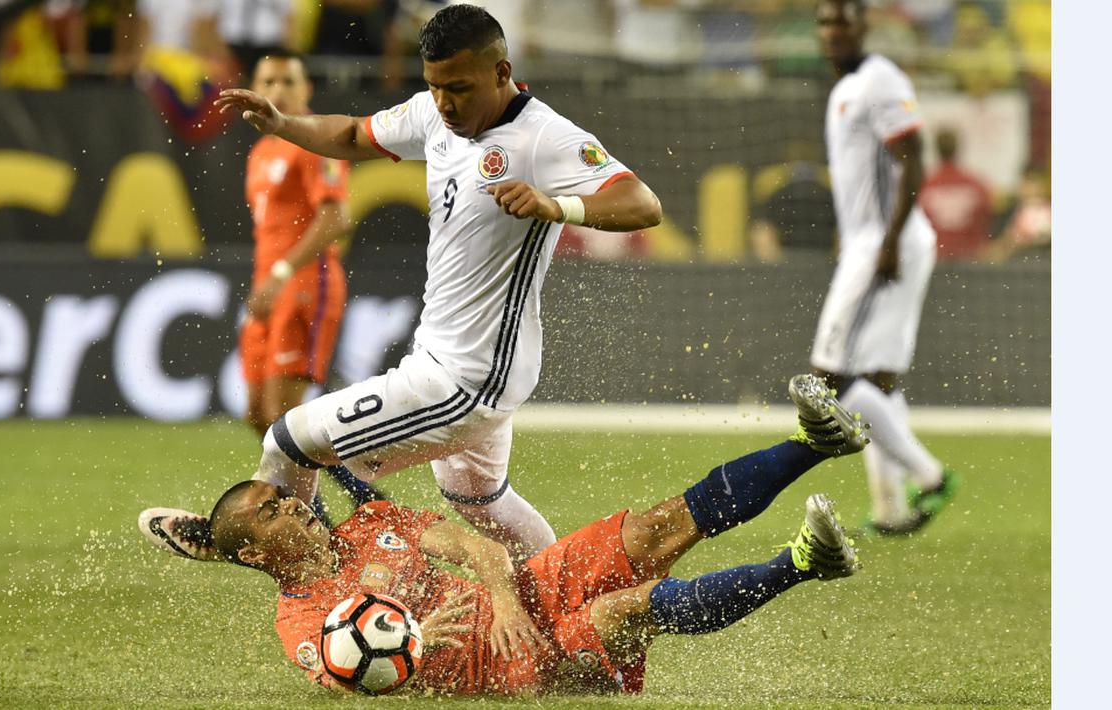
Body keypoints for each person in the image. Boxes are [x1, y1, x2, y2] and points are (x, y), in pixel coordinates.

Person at [139, 4, 663, 563]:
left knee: (287, 440)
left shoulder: (545, 138)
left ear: (502, 73)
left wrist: (556, 205)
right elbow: (351, 133)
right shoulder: (434, 115)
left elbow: (642, 204)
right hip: (456, 360)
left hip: (466, 379)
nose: (444, 102)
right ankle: (569, 604)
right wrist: (284, 123)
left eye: (458, 87)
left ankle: (264, 548)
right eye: (434, 86)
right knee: (480, 501)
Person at [203, 374, 868, 695]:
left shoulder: (371, 522)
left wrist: (506, 597)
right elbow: (337, 680)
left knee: (650, 530)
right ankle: (803, 563)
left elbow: (477, 548)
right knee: (627, 608)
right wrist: (412, 644)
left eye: (279, 498)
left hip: (518, 603)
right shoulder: (300, 620)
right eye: (268, 512)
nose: (289, 504)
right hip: (509, 667)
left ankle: (813, 443)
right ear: (258, 554)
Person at [808, 0, 957, 535]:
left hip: (886, 243)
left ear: (863, 25)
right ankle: (891, 507)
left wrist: (887, 240)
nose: (832, 31)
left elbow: (913, 154)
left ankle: (931, 475)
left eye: (842, 21)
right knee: (878, 384)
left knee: (830, 378)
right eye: (824, 22)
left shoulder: (879, 79)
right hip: (869, 243)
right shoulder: (847, 88)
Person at [238, 49, 385, 523]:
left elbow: (336, 217)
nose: (277, 90)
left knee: (284, 419)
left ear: (305, 91)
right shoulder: (261, 152)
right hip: (270, 287)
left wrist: (280, 275)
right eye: (268, 81)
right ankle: (370, 504)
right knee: (258, 415)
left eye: (287, 81)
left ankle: (322, 531)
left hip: (304, 283)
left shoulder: (313, 144)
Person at [918, 128, 994, 261]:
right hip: (970, 255)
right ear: (958, 148)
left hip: (935, 256)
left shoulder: (925, 185)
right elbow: (987, 216)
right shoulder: (976, 184)